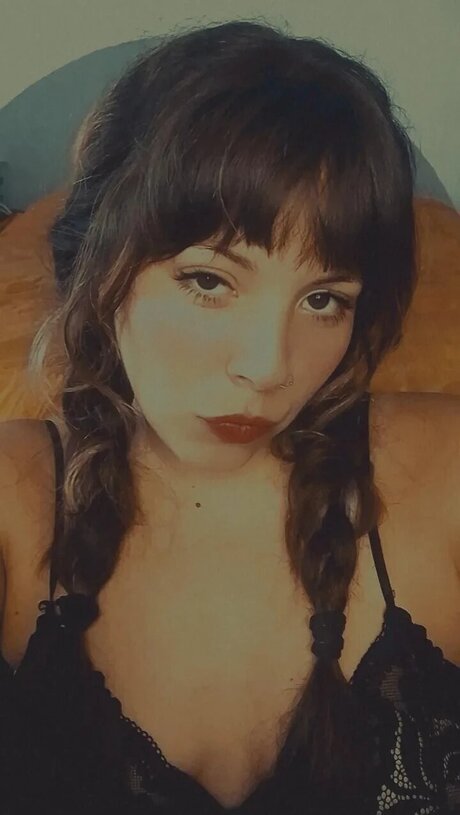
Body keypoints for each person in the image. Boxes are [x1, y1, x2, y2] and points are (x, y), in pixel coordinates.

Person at [0, 17, 459, 815]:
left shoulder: (445, 467)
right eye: (209, 281)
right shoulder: (13, 496)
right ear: (100, 266)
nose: (269, 367)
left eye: (324, 299)